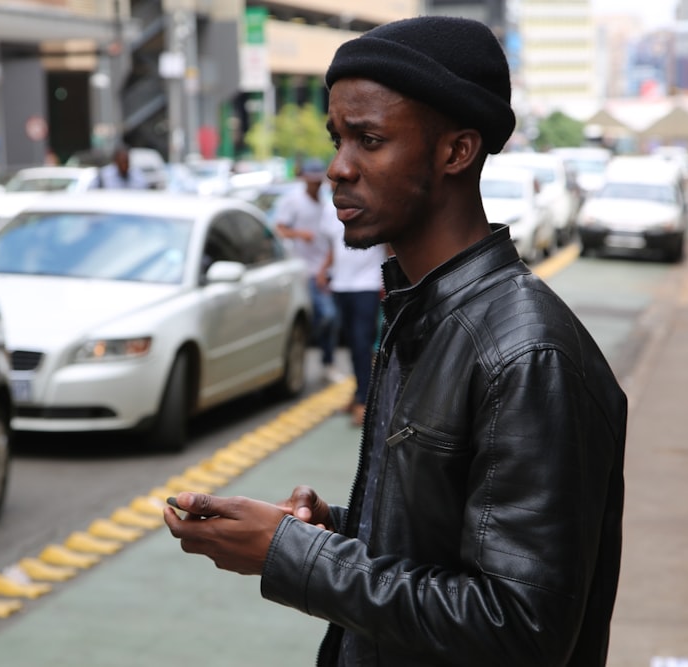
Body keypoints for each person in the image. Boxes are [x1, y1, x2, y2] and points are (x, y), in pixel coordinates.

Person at [164, 15, 628, 666]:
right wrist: (336, 528)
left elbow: (521, 628)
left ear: (456, 152)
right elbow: (451, 541)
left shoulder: (526, 355)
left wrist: (295, 554)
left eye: (369, 140)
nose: (337, 168)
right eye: (337, 140)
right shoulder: (422, 314)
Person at [273, 157, 341, 382]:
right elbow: (279, 229)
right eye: (311, 180)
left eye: (317, 180)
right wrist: (300, 234)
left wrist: (326, 267)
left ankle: (326, 361)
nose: (315, 184)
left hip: (323, 271)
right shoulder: (293, 202)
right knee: (318, 317)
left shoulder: (325, 204)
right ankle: (308, 361)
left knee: (330, 318)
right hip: (302, 272)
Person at [318, 207, 386, 427]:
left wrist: (391, 277)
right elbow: (335, 245)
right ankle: (360, 392)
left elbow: (390, 245)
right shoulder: (331, 210)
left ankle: (364, 402)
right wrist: (324, 269)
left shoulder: (374, 204)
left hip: (367, 285)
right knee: (351, 343)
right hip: (341, 285)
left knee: (361, 343)